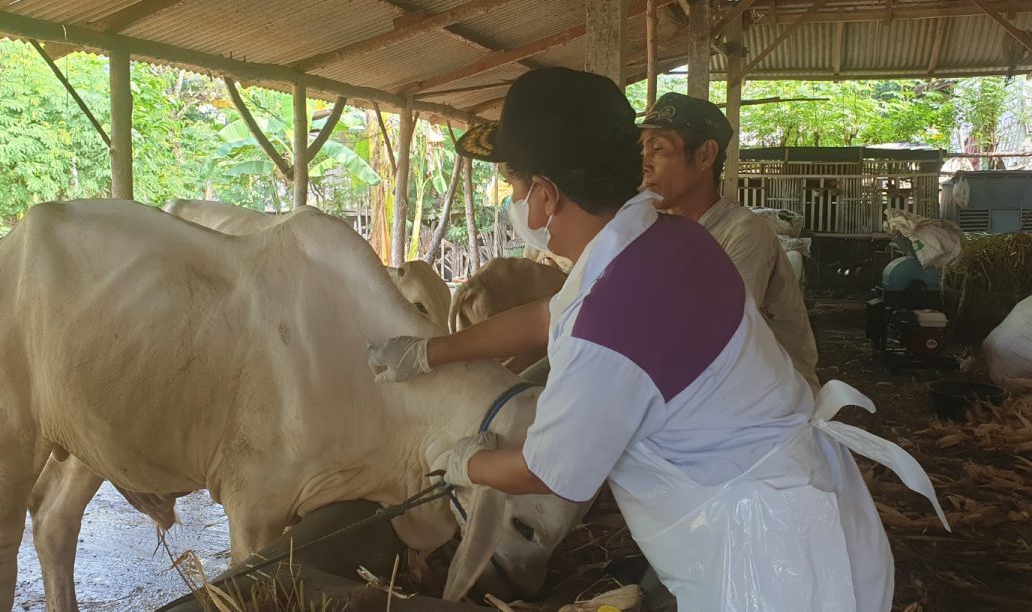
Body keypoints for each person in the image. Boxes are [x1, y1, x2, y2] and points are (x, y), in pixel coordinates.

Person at [368, 68, 947, 611]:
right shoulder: (664, 241)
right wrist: (427, 351)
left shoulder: (613, 318)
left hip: (768, 561)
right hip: (807, 511)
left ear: (544, 194)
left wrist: (464, 462)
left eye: (513, 183)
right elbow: (552, 314)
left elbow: (551, 471)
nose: (514, 199)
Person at [639, 92, 821, 391]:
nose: (645, 164)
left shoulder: (744, 231)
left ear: (704, 156)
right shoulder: (653, 230)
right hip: (698, 386)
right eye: (642, 151)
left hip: (769, 397)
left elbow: (714, 338)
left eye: (657, 149)